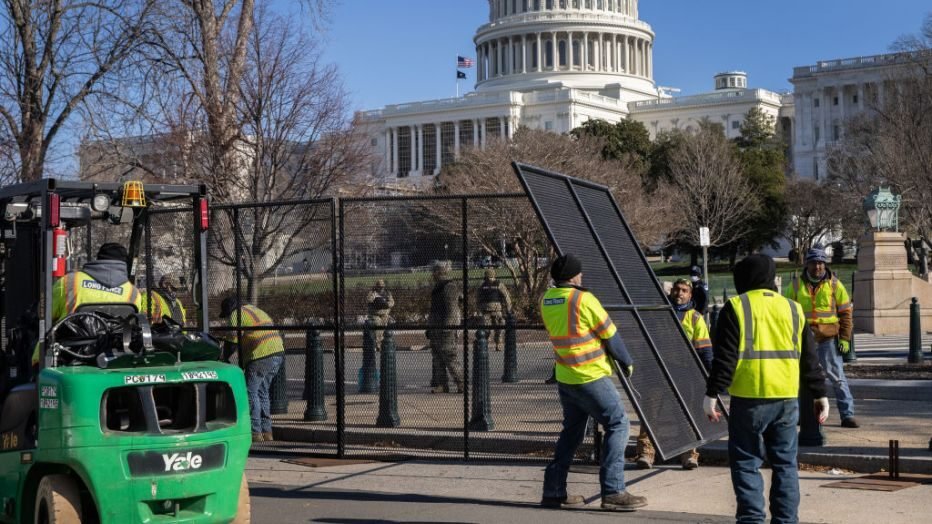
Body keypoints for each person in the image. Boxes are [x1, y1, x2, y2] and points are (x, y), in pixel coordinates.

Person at [705, 254, 829, 524]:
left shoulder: (735, 306)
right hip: (786, 399)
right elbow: (810, 357)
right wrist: (820, 393)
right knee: (785, 464)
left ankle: (751, 519)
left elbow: (724, 358)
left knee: (746, 462)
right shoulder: (793, 309)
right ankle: (786, 520)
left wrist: (712, 393)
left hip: (749, 399)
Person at [540, 254, 646, 512]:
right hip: (590, 376)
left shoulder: (546, 300)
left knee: (572, 432)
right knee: (618, 423)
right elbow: (610, 334)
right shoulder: (583, 299)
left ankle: (553, 491)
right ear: (575, 276)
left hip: (566, 377)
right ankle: (613, 491)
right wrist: (626, 361)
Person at [636, 278, 711, 470]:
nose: (679, 293)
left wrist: (709, 375)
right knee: (650, 414)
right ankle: (646, 453)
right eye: (677, 289)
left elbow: (705, 350)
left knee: (687, 415)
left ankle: (690, 454)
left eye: (684, 290)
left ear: (690, 294)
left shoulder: (695, 318)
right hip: (657, 372)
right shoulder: (659, 314)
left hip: (684, 374)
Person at [34, 243, 144, 366]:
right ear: (125, 264)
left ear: (98, 259)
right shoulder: (133, 293)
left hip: (68, 356)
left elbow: (43, 313)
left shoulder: (70, 282)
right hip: (114, 357)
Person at [784, 247, 858, 428]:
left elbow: (846, 313)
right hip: (803, 340)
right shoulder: (794, 286)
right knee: (799, 379)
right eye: (813, 263)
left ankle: (847, 415)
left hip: (828, 339)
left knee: (837, 378)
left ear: (825, 264)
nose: (817, 266)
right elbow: (785, 313)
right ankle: (802, 415)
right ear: (807, 264)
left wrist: (844, 338)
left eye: (820, 263)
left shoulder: (835, 285)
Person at [219, 297, 285, 442]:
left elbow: (231, 342)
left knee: (251, 392)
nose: (227, 318)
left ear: (229, 309)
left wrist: (223, 359)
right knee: (262, 392)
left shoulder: (236, 315)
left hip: (261, 355)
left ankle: (255, 433)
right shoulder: (255, 310)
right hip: (277, 352)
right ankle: (267, 432)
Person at [427, 261, 463, 394]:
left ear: (438, 272)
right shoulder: (438, 287)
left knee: (450, 356)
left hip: (446, 328)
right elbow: (434, 310)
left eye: (434, 272)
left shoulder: (449, 287)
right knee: (437, 358)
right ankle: (442, 384)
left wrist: (448, 327)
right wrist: (430, 327)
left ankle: (461, 383)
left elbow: (452, 310)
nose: (432, 274)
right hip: (435, 327)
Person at [476, 268, 512, 351]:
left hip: (489, 310)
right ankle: (495, 344)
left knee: (491, 328)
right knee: (496, 328)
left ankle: (489, 344)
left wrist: (478, 310)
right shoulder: (496, 284)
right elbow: (507, 297)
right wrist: (508, 309)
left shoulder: (483, 285)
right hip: (493, 310)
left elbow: (478, 299)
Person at [366, 279, 394, 351]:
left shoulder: (387, 293)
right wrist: (375, 300)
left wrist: (386, 304)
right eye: (379, 287)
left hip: (384, 313)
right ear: (376, 287)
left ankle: (386, 344)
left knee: (387, 324)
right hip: (375, 314)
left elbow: (392, 302)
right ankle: (378, 345)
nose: (381, 288)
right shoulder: (373, 293)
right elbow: (368, 300)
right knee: (378, 324)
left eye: (382, 287)